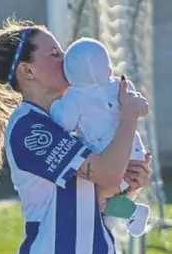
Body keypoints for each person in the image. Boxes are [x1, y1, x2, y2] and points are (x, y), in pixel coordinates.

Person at [0, 18, 151, 254]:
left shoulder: (75, 124)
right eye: (54, 54)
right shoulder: (29, 127)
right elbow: (107, 172)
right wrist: (128, 116)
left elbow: (99, 203)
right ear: (28, 71)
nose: (65, 59)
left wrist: (132, 187)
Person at [50, 37, 150, 237]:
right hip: (134, 149)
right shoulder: (120, 86)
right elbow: (141, 107)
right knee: (111, 197)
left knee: (100, 200)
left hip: (109, 155)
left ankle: (132, 212)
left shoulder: (75, 97)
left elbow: (65, 123)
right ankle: (122, 215)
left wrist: (54, 106)